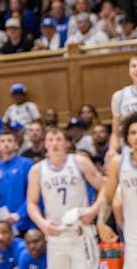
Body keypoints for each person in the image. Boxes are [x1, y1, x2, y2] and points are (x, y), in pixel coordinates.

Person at [26, 127, 104, 269]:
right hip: (55, 235)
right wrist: (42, 224)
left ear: (66, 143)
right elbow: (31, 203)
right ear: (45, 144)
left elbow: (105, 187)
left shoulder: (80, 161)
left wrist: (93, 211)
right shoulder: (37, 170)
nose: (54, 143)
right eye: (50, 140)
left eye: (58, 139)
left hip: (80, 233)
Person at [98, 112, 137, 269]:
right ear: (126, 137)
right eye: (133, 133)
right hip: (132, 238)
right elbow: (107, 199)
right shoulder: (118, 163)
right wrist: (100, 222)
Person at [110, 56, 137, 152]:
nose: (136, 69)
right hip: (127, 149)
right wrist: (112, 150)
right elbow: (115, 133)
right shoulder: (119, 96)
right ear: (129, 71)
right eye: (133, 66)